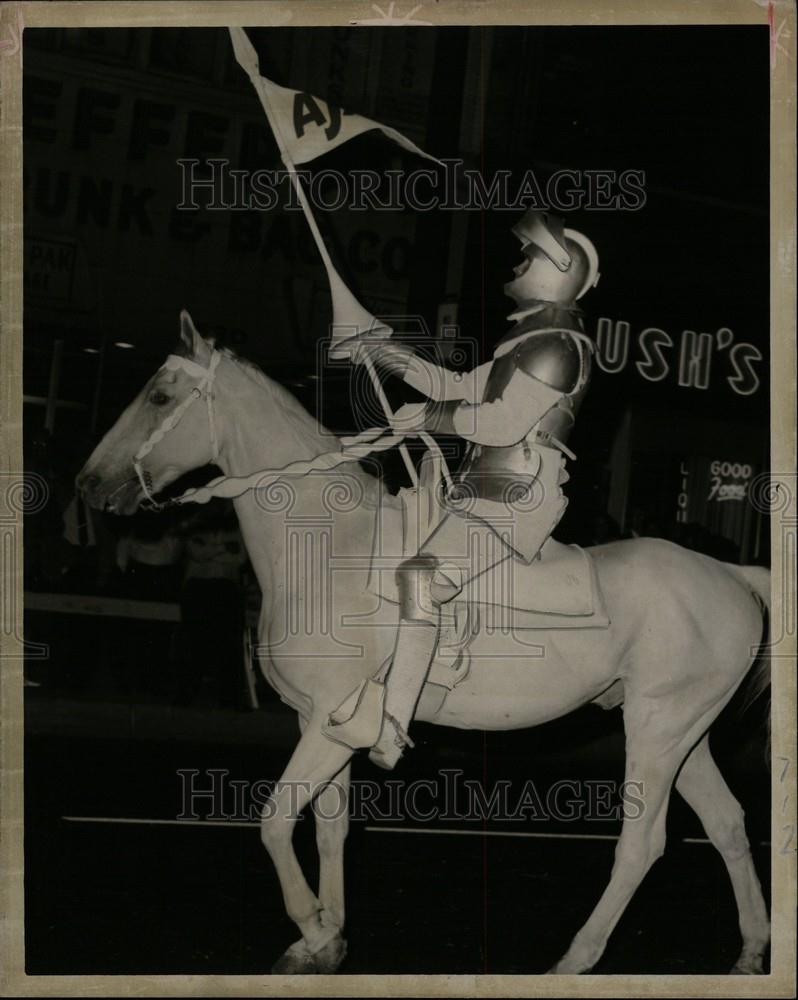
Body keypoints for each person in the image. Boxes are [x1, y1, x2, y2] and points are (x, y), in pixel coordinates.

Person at [323, 209, 600, 768]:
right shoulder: (524, 342)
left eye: (529, 256)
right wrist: (377, 346)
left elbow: (500, 423)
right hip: (480, 491)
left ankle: (394, 724)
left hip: (517, 495)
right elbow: (450, 384)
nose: (518, 263)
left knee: (419, 575)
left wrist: (427, 416)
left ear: (557, 270)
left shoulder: (559, 346)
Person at [174, 501, 250, 709]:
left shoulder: (239, 526)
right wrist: (223, 549)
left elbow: (240, 558)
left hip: (227, 588)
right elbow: (196, 553)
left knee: (229, 645)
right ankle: (186, 697)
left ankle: (231, 699)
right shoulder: (194, 524)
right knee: (194, 643)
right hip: (199, 589)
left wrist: (209, 550)